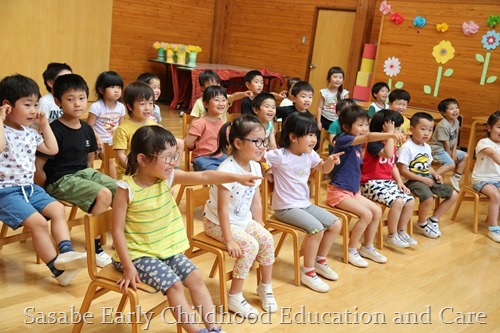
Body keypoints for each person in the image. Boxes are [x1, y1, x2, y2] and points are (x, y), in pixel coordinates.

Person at [112, 125, 259, 333]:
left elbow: (205, 177)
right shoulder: (126, 189)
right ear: (143, 160)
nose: (173, 163)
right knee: (174, 285)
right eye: (167, 157)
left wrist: (238, 178)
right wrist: (128, 267)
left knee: (196, 277)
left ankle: (214, 329)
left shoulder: (168, 178)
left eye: (175, 156)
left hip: (165, 250)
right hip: (137, 256)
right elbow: (117, 230)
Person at [0, 74, 87, 286]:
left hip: (29, 188)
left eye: (36, 104)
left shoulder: (29, 132)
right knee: (38, 223)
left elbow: (52, 149)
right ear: (7, 107)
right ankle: (57, 269)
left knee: (57, 209)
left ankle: (66, 251)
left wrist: (44, 124)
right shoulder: (2, 130)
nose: (33, 110)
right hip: (6, 192)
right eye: (27, 104)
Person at [35, 74, 118, 268]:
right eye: (70, 99)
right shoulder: (53, 130)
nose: (77, 104)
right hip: (59, 180)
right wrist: (44, 189)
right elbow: (38, 166)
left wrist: (91, 181)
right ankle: (94, 248)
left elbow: (89, 163)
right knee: (103, 194)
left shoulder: (88, 129)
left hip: (83, 174)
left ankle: (124, 238)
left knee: (121, 190)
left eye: (81, 98)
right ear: (58, 102)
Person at [203, 115, 275, 318]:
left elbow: (256, 201)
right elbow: (223, 210)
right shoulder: (226, 170)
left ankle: (265, 287)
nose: (262, 146)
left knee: (267, 239)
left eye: (264, 141)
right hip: (216, 223)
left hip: (241, 221)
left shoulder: (255, 165)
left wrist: (260, 223)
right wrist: (229, 240)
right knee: (250, 245)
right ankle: (235, 295)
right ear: (238, 143)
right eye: (257, 141)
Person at [265, 112, 343, 292]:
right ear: (293, 137)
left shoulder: (310, 155)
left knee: (336, 224)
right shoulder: (280, 155)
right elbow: (259, 158)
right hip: (285, 208)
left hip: (304, 204)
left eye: (314, 134)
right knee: (317, 230)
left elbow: (323, 169)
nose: (314, 139)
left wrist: (330, 161)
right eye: (309, 134)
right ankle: (307, 272)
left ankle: (319, 260)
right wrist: (268, 171)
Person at [327, 105, 405, 268]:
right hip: (338, 192)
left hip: (352, 192)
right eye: (359, 125)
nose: (364, 129)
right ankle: (351, 250)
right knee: (366, 215)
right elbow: (369, 137)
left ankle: (367, 247)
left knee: (376, 211)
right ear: (347, 127)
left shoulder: (356, 145)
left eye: (365, 124)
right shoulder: (343, 140)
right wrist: (391, 134)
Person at [360, 110, 416, 248]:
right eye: (396, 128)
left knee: (409, 200)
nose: (399, 131)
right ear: (384, 128)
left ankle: (400, 230)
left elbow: (393, 166)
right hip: (370, 183)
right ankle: (392, 235)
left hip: (387, 183)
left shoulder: (390, 142)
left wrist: (400, 182)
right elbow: (387, 154)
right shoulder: (374, 142)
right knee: (397, 201)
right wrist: (391, 135)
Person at [397, 112, 458, 239]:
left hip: (427, 178)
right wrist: (422, 179)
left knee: (453, 195)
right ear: (412, 129)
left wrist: (436, 175)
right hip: (412, 180)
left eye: (430, 130)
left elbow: (428, 166)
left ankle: (433, 220)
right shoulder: (406, 147)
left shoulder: (427, 147)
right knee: (428, 197)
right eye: (423, 129)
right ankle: (422, 223)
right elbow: (402, 171)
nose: (427, 133)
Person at [113, 81, 183, 179]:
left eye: (150, 103)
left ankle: (172, 174)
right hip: (129, 174)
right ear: (129, 106)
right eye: (142, 104)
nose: (147, 108)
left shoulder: (153, 124)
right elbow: (120, 155)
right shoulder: (122, 129)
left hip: (149, 172)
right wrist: (135, 170)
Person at [86, 71, 126, 179]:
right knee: (110, 160)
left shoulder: (121, 107)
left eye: (119, 87)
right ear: (101, 90)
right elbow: (89, 126)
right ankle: (115, 184)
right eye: (112, 87)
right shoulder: (96, 106)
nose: (117, 90)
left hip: (115, 142)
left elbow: (122, 127)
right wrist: (98, 139)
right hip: (100, 143)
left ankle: (103, 177)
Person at [471, 111, 500, 243]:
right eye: (499, 127)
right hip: (482, 179)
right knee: (495, 196)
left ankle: (493, 221)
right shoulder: (484, 142)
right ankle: (493, 229)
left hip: (498, 179)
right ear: (489, 128)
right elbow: (493, 155)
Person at [184, 85, 228, 171]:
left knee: (234, 169)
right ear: (206, 104)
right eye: (216, 100)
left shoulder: (223, 124)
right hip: (203, 159)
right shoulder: (200, 123)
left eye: (223, 100)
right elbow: (188, 143)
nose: (221, 103)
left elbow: (227, 143)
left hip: (220, 157)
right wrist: (198, 146)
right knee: (218, 173)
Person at [429, 98, 468, 192]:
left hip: (448, 149)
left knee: (465, 156)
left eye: (456, 107)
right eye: (451, 108)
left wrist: (454, 151)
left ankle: (456, 178)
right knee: (451, 164)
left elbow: (455, 137)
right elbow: (445, 142)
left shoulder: (456, 121)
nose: (455, 110)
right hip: (437, 149)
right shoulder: (443, 125)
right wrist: (450, 155)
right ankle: (432, 177)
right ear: (443, 113)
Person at [316, 66, 349, 131]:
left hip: (338, 121)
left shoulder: (344, 93)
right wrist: (318, 122)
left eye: (340, 77)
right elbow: (319, 108)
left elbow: (347, 110)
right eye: (335, 77)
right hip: (325, 119)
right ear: (329, 78)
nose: (338, 80)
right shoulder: (324, 92)